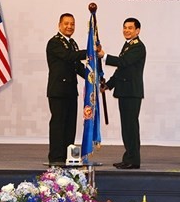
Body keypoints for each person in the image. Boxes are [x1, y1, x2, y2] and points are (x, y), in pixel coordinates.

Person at [46, 13, 100, 164]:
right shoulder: (55, 42)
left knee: (70, 124)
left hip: (70, 90)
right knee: (58, 123)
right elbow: (69, 56)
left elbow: (77, 66)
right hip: (58, 91)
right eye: (66, 24)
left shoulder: (73, 43)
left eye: (72, 24)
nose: (69, 26)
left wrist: (94, 78)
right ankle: (56, 157)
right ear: (59, 25)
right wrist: (89, 51)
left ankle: (68, 154)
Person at [102, 18, 146, 170]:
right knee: (126, 127)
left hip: (132, 93)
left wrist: (104, 56)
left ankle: (133, 160)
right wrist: (108, 85)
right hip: (125, 92)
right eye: (125, 27)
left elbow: (123, 62)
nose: (126, 30)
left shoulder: (138, 47)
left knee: (131, 127)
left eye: (130, 28)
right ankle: (128, 157)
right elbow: (121, 70)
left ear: (137, 30)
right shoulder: (127, 45)